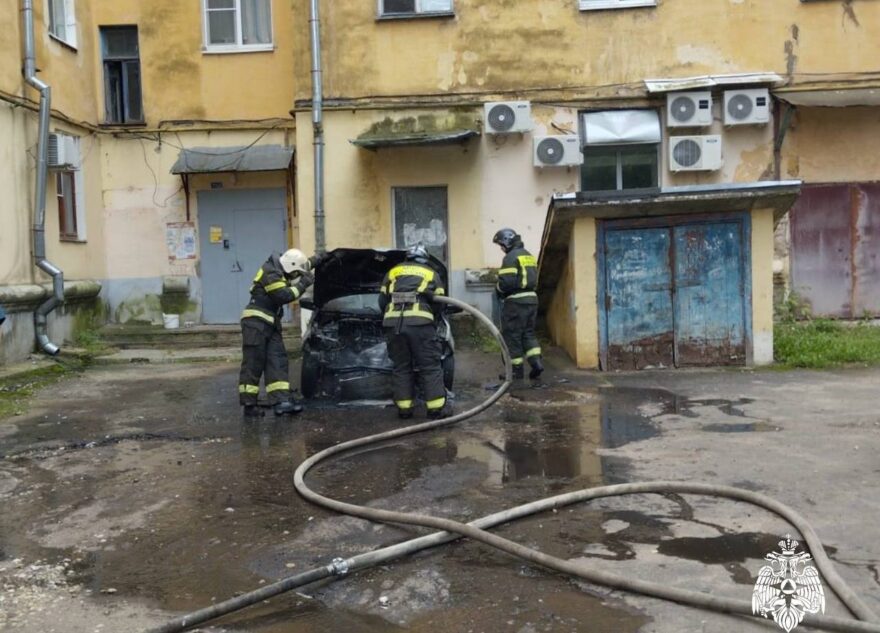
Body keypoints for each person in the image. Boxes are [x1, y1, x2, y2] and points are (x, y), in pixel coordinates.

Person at [238, 248, 320, 417]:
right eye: (296, 272)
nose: (296, 275)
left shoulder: (281, 268)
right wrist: (304, 283)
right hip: (255, 323)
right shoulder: (271, 272)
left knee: (278, 360)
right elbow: (284, 296)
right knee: (253, 364)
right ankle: (249, 405)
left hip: (271, 323)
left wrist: (320, 258)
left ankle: (281, 402)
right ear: (289, 267)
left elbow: (301, 265)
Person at [378, 244, 448, 420]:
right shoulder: (430, 273)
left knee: (401, 367)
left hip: (394, 325)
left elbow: (382, 300)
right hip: (420, 325)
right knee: (430, 366)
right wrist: (431, 315)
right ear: (424, 258)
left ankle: (405, 410)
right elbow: (440, 301)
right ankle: (435, 410)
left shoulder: (393, 272)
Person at [493, 228, 544, 380]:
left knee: (512, 336)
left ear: (507, 242)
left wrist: (497, 288)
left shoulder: (510, 257)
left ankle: (515, 371)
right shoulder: (528, 255)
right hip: (532, 300)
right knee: (528, 333)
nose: (501, 248)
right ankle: (536, 363)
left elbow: (506, 283)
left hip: (516, 301)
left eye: (501, 245)